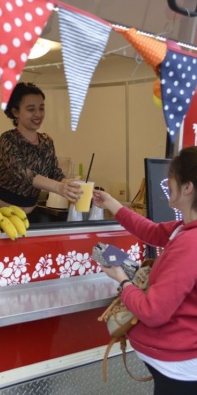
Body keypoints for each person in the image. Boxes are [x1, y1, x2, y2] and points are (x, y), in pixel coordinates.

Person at [92, 146, 197, 395]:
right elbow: (151, 232)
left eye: (171, 176)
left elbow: (154, 312)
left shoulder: (189, 244)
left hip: (179, 370)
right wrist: (112, 204)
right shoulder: (184, 229)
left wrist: (122, 281)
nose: (166, 182)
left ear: (187, 187)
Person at [0, 82, 81, 219]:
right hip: (2, 214)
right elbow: (24, 173)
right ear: (15, 112)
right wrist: (58, 188)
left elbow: (55, 174)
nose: (38, 114)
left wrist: (73, 186)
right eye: (31, 109)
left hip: (31, 214)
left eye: (41, 108)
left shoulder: (46, 142)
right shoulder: (8, 139)